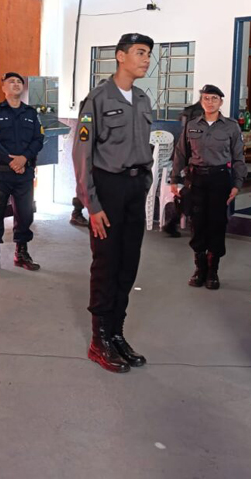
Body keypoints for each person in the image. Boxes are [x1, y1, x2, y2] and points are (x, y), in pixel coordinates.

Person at [72, 32, 154, 374]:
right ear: (120, 56)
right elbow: (82, 154)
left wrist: (146, 182)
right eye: (139, 52)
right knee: (106, 265)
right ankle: (99, 339)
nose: (146, 59)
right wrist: (92, 205)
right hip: (108, 188)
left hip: (136, 188)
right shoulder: (98, 99)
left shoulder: (143, 99)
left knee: (128, 264)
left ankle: (116, 332)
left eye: (149, 53)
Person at [170, 85, 246, 290]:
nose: (209, 102)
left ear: (221, 102)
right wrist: (174, 179)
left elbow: (238, 158)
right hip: (196, 180)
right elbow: (180, 154)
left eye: (214, 98)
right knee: (197, 223)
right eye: (205, 98)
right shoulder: (192, 125)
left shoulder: (230, 127)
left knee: (217, 223)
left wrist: (237, 184)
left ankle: (213, 270)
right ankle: (199, 267)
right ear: (201, 101)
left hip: (220, 180)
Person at [0, 72, 42, 274]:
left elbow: (38, 140)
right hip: (0, 173)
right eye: (11, 82)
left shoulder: (31, 113)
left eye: (19, 82)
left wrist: (23, 159)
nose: (16, 84)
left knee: (25, 214)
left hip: (24, 173)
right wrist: (11, 160)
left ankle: (21, 253)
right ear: (3, 88)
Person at [161, 95, 206, 238]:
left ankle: (173, 222)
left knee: (188, 193)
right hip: (194, 159)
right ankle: (183, 224)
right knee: (192, 194)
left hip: (187, 159)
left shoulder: (188, 111)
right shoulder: (200, 114)